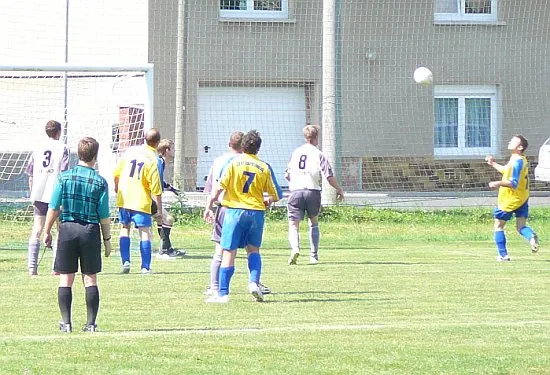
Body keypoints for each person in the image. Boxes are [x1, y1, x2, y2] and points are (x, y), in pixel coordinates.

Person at [203, 130, 282, 303]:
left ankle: (223, 294)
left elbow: (218, 188)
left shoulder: (233, 163)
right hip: (256, 213)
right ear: (258, 148)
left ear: (243, 146)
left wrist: (209, 206)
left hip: (234, 212)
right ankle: (254, 283)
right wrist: (268, 200)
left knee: (228, 252)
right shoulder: (264, 167)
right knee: (253, 250)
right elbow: (277, 194)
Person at [43, 137, 112, 333]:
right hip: (89, 231)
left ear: (78, 154)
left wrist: (46, 231)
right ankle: (90, 324)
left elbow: (53, 207)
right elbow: (104, 215)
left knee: (66, 278)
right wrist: (107, 241)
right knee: (90, 278)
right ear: (95, 156)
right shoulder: (100, 182)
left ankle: (66, 323)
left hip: (68, 229)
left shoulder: (64, 177)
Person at [285, 125, 344, 265]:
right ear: (317, 137)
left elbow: (287, 175)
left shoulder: (296, 153)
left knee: (293, 224)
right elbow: (329, 176)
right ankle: (313, 256)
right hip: (312, 191)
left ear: (305, 137)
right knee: (313, 222)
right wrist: (339, 189)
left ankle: (295, 249)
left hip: (296, 191)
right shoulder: (319, 154)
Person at [113, 128, 163, 274]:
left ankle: (126, 262)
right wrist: (159, 209)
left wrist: (117, 188)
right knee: (144, 232)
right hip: (141, 200)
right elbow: (156, 189)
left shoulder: (130, 152)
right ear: (157, 143)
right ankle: (145, 267)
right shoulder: (154, 160)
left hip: (124, 198)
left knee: (124, 228)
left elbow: (116, 173)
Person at [26, 120, 70, 277]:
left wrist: (32, 193)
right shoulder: (63, 148)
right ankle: (56, 268)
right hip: (55, 193)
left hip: (38, 193)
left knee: (37, 229)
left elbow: (30, 173)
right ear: (58, 132)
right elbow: (64, 173)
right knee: (59, 229)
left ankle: (32, 269)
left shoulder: (37, 148)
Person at [486, 134, 540, 262]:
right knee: (521, 226)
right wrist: (493, 164)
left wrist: (497, 183)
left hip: (510, 199)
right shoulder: (519, 159)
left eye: (514, 141)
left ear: (520, 147)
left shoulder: (517, 162)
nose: (510, 141)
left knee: (498, 225)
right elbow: (507, 171)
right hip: (522, 198)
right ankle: (531, 236)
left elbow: (513, 183)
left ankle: (503, 256)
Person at [155, 138, 185, 259]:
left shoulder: (160, 162)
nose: (174, 151)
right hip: (150, 197)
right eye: (172, 148)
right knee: (168, 219)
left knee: (161, 220)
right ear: (166, 150)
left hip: (149, 196)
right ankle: (163, 251)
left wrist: (171, 188)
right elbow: (155, 181)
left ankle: (167, 248)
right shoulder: (159, 162)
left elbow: (160, 180)